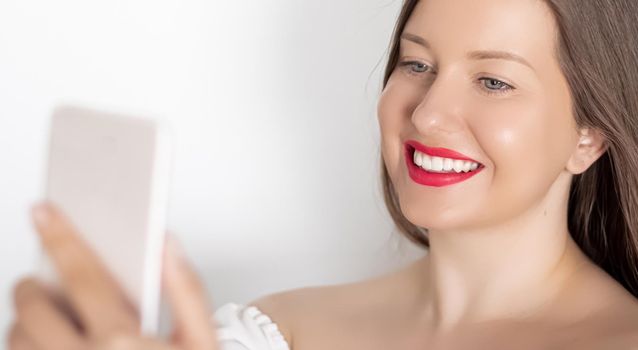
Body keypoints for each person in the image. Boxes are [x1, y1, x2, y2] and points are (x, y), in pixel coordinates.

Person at [8, 0, 638, 348]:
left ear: (590, 135)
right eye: (416, 65)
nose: (428, 112)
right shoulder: (272, 332)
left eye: (493, 80)